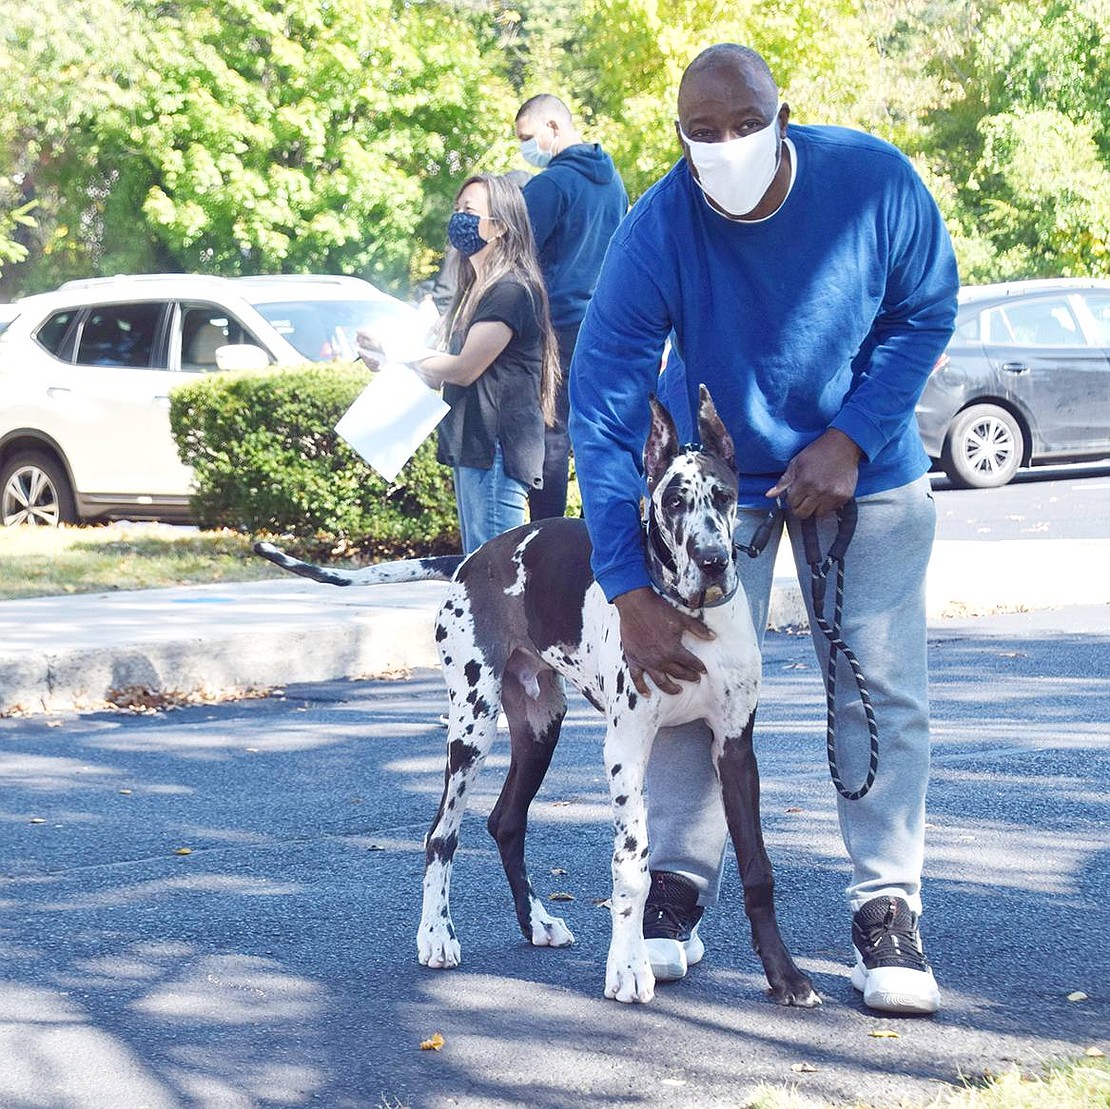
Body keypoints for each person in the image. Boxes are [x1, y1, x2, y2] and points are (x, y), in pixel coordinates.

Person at [567, 44, 959, 1015]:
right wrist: (624, 582)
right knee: (689, 682)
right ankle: (676, 885)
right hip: (715, 478)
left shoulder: (873, 183)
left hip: (860, 465)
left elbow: (925, 309)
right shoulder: (659, 226)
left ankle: (886, 906)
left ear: (786, 113)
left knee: (874, 680)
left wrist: (855, 437)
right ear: (680, 138)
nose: (728, 146)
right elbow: (605, 402)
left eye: (746, 124)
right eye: (704, 133)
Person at [361, 173, 559, 554]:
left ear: (499, 226)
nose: (459, 219)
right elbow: (444, 370)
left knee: (495, 578)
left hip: (497, 452)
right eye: (457, 209)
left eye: (469, 210)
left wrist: (396, 350)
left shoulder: (511, 290)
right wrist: (389, 360)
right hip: (475, 449)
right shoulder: (475, 291)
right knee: (479, 574)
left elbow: (465, 367)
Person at [513, 94, 628, 521]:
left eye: (527, 137)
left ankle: (548, 539)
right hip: (608, 327)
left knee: (552, 437)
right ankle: (615, 534)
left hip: (556, 327)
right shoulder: (613, 181)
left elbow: (516, 260)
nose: (525, 148)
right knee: (604, 434)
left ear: (554, 127)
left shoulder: (549, 186)